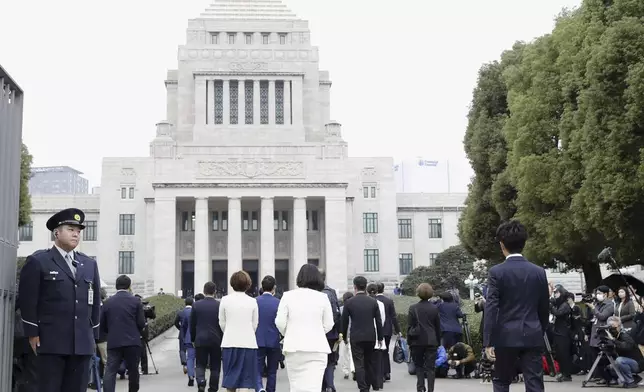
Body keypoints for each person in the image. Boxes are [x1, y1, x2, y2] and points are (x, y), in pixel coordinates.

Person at [18, 208, 102, 392]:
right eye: (71, 229)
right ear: (57, 232)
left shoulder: (88, 264)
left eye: (78, 231)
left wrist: (93, 335)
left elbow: (95, 302)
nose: (76, 234)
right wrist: (32, 333)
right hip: (50, 343)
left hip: (81, 344)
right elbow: (28, 300)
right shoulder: (39, 261)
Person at [483, 220, 550, 392]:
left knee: (501, 381)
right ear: (523, 243)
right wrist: (539, 330)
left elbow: (491, 307)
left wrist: (488, 340)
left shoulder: (496, 272)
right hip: (533, 333)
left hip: (505, 335)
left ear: (502, 244)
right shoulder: (538, 271)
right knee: (535, 382)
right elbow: (544, 307)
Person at [275, 264, 334, 392]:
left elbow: (280, 322)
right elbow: (329, 323)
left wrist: (289, 332)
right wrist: (316, 330)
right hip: (317, 348)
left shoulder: (287, 296)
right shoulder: (323, 297)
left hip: (294, 348)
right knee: (314, 387)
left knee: (296, 387)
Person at [100, 275, 146, 392]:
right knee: (133, 370)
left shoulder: (108, 302)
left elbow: (103, 324)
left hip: (114, 341)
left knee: (110, 370)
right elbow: (141, 323)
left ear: (116, 286)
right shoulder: (136, 301)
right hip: (132, 341)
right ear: (129, 286)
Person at [341, 276, 383, 392]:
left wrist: (344, 336)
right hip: (370, 336)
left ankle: (363, 388)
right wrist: (380, 337)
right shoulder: (373, 302)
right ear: (365, 286)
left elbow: (344, 322)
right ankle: (368, 385)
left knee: (358, 363)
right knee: (369, 362)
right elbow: (378, 321)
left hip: (356, 336)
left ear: (354, 286)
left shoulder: (349, 302)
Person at [219, 271, 259, 392]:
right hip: (248, 343)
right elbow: (255, 324)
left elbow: (222, 322)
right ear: (248, 284)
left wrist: (229, 331)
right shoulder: (253, 301)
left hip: (229, 342)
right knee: (246, 381)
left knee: (230, 379)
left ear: (232, 283)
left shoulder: (224, 300)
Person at [190, 281, 224, 392]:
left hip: (200, 338)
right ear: (215, 291)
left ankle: (201, 381)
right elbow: (222, 324)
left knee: (200, 363)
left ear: (204, 291)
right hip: (216, 339)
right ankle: (213, 388)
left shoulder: (196, 305)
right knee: (215, 366)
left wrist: (193, 338)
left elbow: (192, 324)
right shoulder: (219, 305)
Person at [407, 283, 441, 392]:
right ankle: (431, 389)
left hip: (417, 341)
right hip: (431, 341)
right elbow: (438, 327)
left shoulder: (413, 308)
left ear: (418, 293)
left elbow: (409, 327)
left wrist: (409, 342)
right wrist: (438, 342)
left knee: (419, 366)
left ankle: (420, 388)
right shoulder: (434, 308)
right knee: (431, 368)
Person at [255, 276, 281, 392]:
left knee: (257, 369)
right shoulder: (278, 303)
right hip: (274, 340)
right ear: (274, 288)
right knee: (272, 371)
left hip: (258, 339)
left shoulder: (255, 301)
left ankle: (259, 388)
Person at [603, 316, 644, 387]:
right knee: (610, 367)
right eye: (610, 327)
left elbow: (626, 347)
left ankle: (630, 382)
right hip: (628, 361)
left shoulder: (624, 335)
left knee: (619, 361)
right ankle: (634, 378)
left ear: (619, 326)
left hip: (637, 363)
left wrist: (613, 340)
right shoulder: (616, 336)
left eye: (614, 327)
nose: (612, 329)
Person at [320, 269, 341, 392]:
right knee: (330, 362)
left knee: (320, 361)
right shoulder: (331, 292)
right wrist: (339, 332)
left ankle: (324, 386)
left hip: (319, 333)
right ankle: (330, 385)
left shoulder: (316, 293)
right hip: (332, 333)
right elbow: (337, 314)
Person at [376, 282, 400, 382]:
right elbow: (393, 317)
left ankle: (379, 373)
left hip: (377, 330)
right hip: (387, 329)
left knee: (377, 352)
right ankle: (387, 372)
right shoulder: (389, 301)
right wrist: (398, 330)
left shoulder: (372, 300)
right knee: (385, 351)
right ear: (383, 289)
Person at [549, 286, 573, 381]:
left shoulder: (565, 305)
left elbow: (558, 313)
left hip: (563, 333)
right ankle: (563, 372)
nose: (556, 295)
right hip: (558, 332)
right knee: (559, 354)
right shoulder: (559, 304)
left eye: (557, 293)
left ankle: (567, 374)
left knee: (564, 354)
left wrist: (551, 307)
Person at [339, 292, 355, 380]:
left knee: (343, 354)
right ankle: (353, 369)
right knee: (352, 354)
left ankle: (345, 371)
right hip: (353, 333)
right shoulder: (356, 308)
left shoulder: (341, 309)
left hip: (343, 335)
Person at [180, 297, 196, 386]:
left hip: (189, 338)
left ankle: (191, 376)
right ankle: (200, 379)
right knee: (200, 360)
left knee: (190, 358)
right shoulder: (197, 312)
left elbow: (184, 326)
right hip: (199, 339)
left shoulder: (185, 312)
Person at [175, 297, 194, 375]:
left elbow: (175, 323)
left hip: (182, 333)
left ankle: (184, 364)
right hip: (191, 334)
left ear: (185, 303)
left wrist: (180, 329)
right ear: (192, 303)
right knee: (191, 351)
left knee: (182, 350)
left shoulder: (180, 312)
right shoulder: (193, 312)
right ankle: (191, 366)